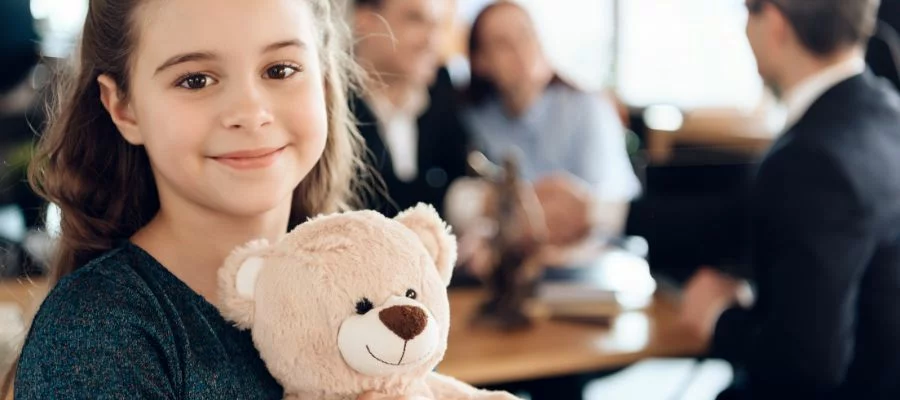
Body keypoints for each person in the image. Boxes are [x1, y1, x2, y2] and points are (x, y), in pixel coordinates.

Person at [5, 0, 424, 399]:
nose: (250, 110)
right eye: (195, 80)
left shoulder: (375, 288)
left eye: (280, 70)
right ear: (124, 109)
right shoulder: (93, 334)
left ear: (325, 79)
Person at [680, 0, 900, 398]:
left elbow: (804, 368)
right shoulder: (886, 111)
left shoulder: (813, 157)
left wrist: (717, 316)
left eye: (748, 11)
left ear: (775, 23)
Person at [460, 1, 642, 242]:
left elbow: (615, 204)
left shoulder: (588, 109)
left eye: (526, 35)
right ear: (480, 61)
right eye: (503, 43)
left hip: (593, 254)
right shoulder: (473, 119)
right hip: (514, 257)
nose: (520, 50)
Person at [351, 0, 472, 219]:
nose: (431, 40)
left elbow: (464, 168)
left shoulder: (442, 88)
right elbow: (362, 203)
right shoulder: (330, 100)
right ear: (365, 19)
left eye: (438, 25)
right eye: (415, 19)